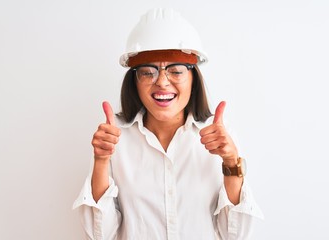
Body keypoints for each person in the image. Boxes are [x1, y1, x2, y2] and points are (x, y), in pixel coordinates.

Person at [73, 8, 263, 240]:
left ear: (193, 78)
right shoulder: (114, 138)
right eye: (148, 72)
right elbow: (99, 235)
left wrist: (231, 162)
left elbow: (237, 236)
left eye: (175, 70)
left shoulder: (221, 137)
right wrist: (101, 161)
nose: (162, 82)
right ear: (134, 80)